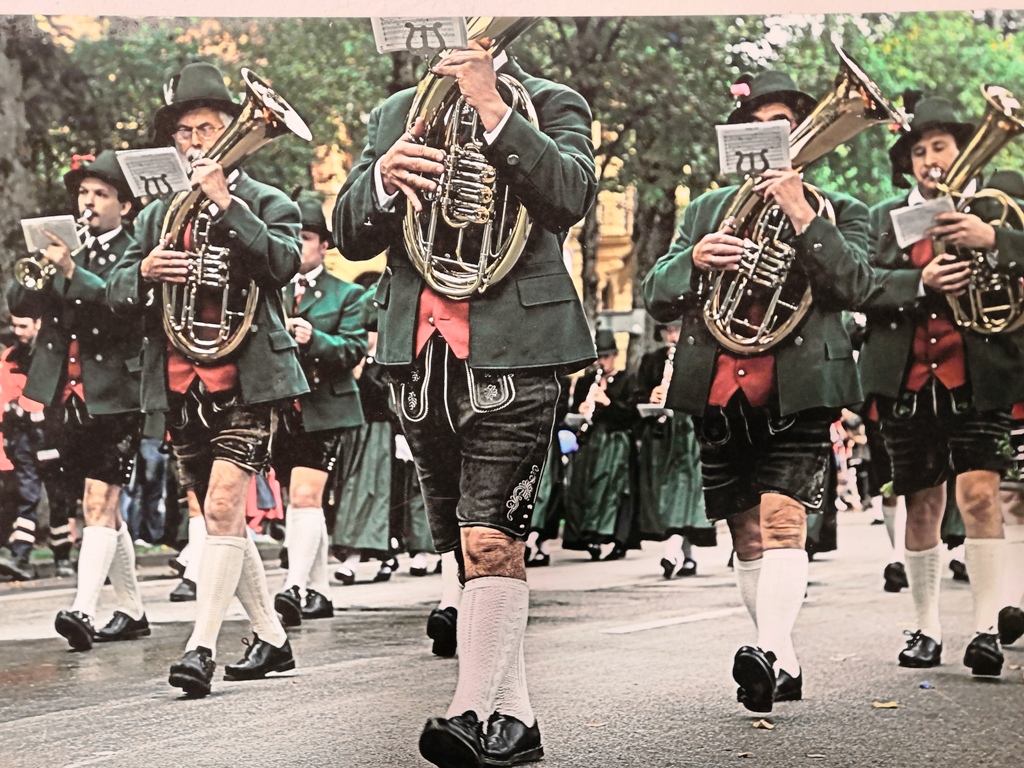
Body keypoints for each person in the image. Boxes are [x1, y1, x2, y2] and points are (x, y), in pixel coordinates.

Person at [332, 33, 597, 767]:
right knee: (462, 546)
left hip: (517, 350)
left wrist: (490, 107)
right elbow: (350, 232)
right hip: (419, 361)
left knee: (490, 540)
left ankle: (468, 713)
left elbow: (570, 196)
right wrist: (384, 178)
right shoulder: (394, 111)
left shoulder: (550, 101)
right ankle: (517, 722)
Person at [642, 70, 876, 713]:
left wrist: (801, 212)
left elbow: (855, 287)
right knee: (745, 532)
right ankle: (781, 659)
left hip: (798, 389)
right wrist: (694, 261)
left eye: (783, 124)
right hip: (719, 389)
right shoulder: (704, 211)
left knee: (782, 519)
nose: (769, 136)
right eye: (756, 125)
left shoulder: (841, 210)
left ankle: (768, 652)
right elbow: (655, 293)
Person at [106, 61, 307, 697]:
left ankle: (199, 648)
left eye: (206, 128)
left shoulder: (270, 201)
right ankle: (272, 639)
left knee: (222, 507)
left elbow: (280, 264)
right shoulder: (156, 213)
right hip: (179, 378)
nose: (193, 140)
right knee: (221, 520)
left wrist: (225, 201)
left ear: (231, 133)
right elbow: (114, 293)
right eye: (185, 131)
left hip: (247, 375)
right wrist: (146, 270)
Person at [856, 96, 1024, 678]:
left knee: (978, 495)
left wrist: (993, 241)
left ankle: (985, 632)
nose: (932, 159)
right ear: (909, 164)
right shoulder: (884, 218)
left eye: (941, 147)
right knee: (921, 500)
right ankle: (926, 627)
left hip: (978, 370)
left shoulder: (999, 206)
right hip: (906, 375)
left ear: (961, 150)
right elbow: (859, 284)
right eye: (921, 151)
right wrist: (917, 280)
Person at [6, 151, 149, 650]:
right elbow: (19, 305)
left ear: (125, 207)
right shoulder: (70, 249)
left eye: (101, 195)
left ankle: (84, 609)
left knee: (97, 501)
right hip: (63, 398)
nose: (88, 203)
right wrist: (39, 270)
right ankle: (131, 610)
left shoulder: (135, 250)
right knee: (103, 510)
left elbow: (119, 304)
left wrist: (69, 269)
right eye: (84, 194)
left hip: (115, 396)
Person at [272, 193, 367, 627]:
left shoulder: (347, 294)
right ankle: (320, 590)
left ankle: (293, 585)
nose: (298, 244)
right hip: (282, 408)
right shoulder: (271, 290)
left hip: (324, 406)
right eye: (291, 236)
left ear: (323, 245)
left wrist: (315, 340)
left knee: (307, 497)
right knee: (298, 500)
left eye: (306, 237)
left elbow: (353, 350)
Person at [635, 319, 716, 579]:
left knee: (684, 491)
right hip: (661, 436)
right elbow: (635, 394)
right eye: (668, 331)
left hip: (689, 432)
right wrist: (651, 396)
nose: (672, 336)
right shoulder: (652, 360)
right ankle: (688, 557)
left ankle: (671, 552)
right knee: (668, 494)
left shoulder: (698, 357)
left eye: (677, 330)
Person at [563, 329, 639, 561]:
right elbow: (572, 413)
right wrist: (581, 411)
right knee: (583, 488)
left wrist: (608, 402)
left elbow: (632, 413)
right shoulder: (587, 381)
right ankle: (588, 537)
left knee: (610, 490)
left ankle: (612, 538)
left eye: (605, 356)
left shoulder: (627, 379)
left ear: (615, 355)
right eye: (597, 357)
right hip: (589, 443)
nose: (601, 362)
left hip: (614, 442)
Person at [0, 313, 48, 580]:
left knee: (60, 495)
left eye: (22, 325)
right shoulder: (11, 357)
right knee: (26, 494)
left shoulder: (49, 352)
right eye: (14, 325)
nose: (17, 331)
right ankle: (21, 554)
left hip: (48, 431)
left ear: (38, 324)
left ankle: (61, 555)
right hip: (23, 435)